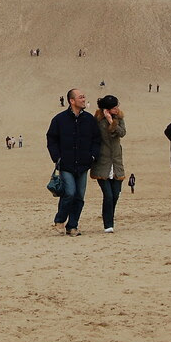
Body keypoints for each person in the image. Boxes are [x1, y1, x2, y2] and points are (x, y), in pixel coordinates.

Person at [46, 88, 101, 236]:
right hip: (66, 164)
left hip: (83, 164)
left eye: (84, 97)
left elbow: (97, 140)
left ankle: (72, 226)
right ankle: (60, 220)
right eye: (81, 97)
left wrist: (92, 157)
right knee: (69, 193)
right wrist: (57, 157)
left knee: (79, 197)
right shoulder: (59, 119)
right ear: (72, 101)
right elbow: (51, 139)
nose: (84, 99)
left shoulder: (89, 120)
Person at [90, 95, 126, 233]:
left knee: (116, 194)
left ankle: (109, 218)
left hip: (116, 162)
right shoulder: (97, 121)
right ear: (107, 109)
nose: (117, 109)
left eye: (117, 106)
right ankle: (108, 224)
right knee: (108, 195)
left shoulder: (120, 118)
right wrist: (106, 121)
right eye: (114, 107)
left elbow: (122, 133)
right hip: (102, 162)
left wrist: (112, 121)